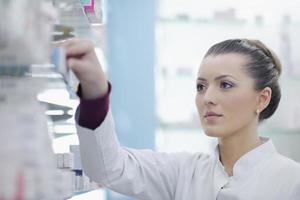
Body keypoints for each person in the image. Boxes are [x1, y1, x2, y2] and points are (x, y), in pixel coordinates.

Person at [63, 38, 300, 200]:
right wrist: (95, 92)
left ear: (262, 99)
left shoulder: (291, 181)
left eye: (225, 85)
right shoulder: (185, 172)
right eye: (200, 86)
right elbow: (108, 168)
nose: (207, 97)